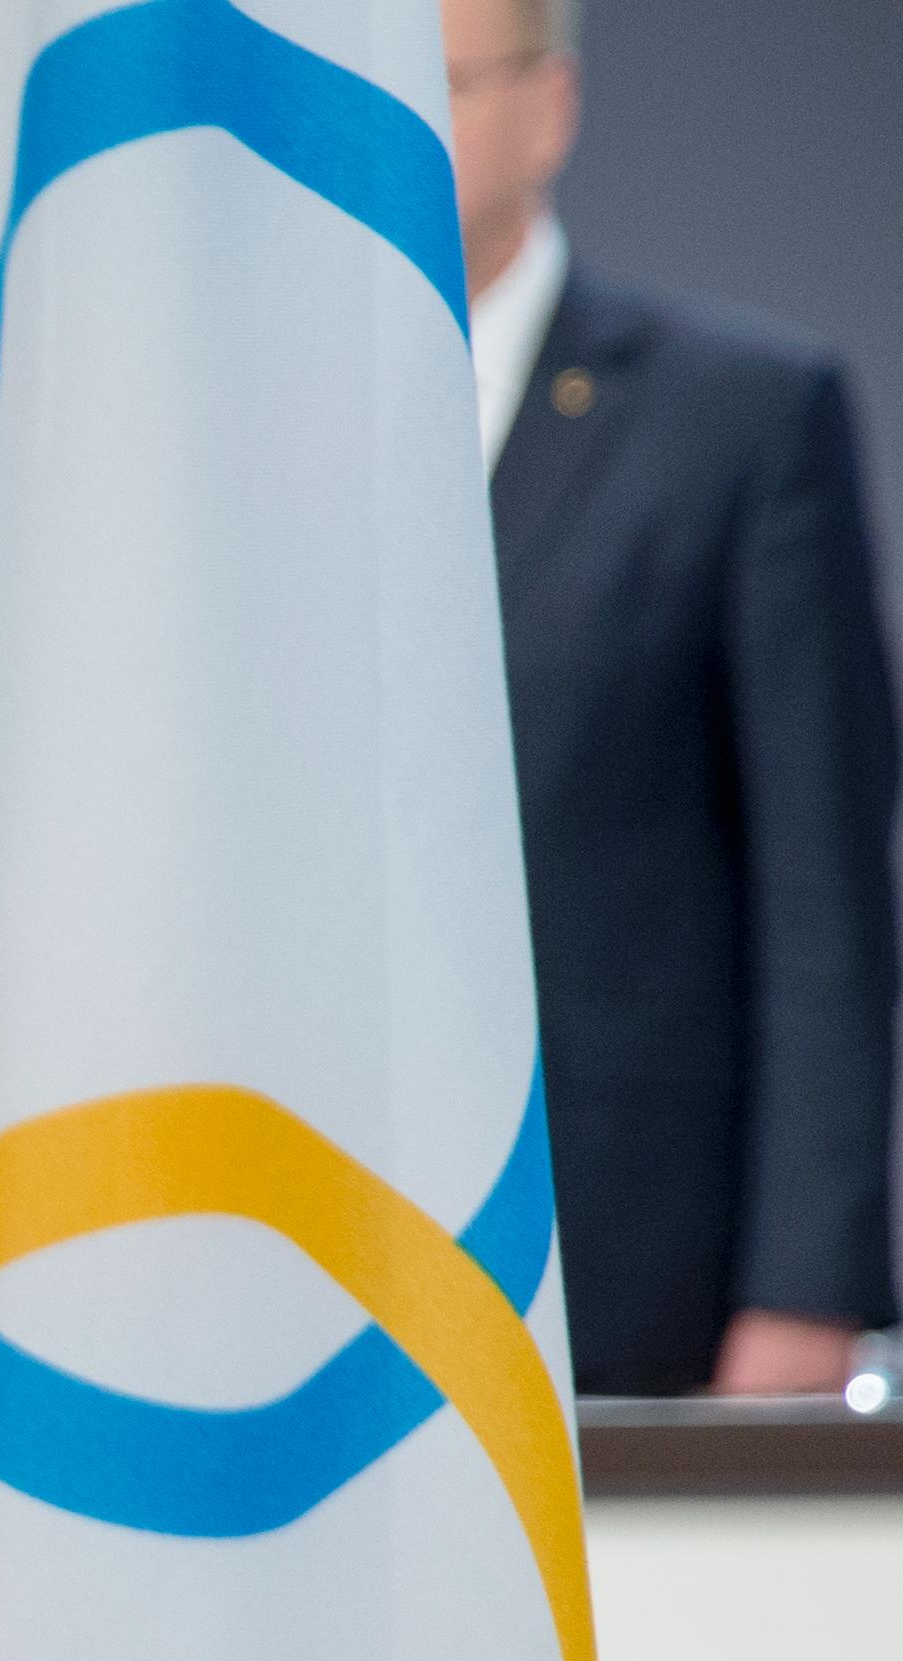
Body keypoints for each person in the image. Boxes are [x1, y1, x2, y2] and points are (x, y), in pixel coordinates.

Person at [450, 0, 897, 1394]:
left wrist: (803, 1291)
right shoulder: (242, 424)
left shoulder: (736, 418)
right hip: (309, 1251)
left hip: (632, 1273)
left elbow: (822, 897)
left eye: (442, 84)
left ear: (548, 105)